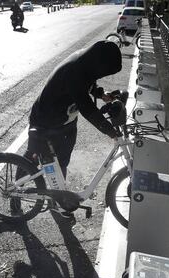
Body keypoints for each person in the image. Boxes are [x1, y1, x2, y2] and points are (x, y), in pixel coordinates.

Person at [21, 40, 122, 179]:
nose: (103, 75)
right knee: (33, 159)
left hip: (66, 120)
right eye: (104, 72)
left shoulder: (87, 62)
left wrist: (101, 94)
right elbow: (87, 108)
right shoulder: (74, 70)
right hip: (46, 120)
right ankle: (15, 195)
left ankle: (58, 196)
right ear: (98, 64)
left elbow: (89, 82)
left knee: (61, 162)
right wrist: (110, 131)